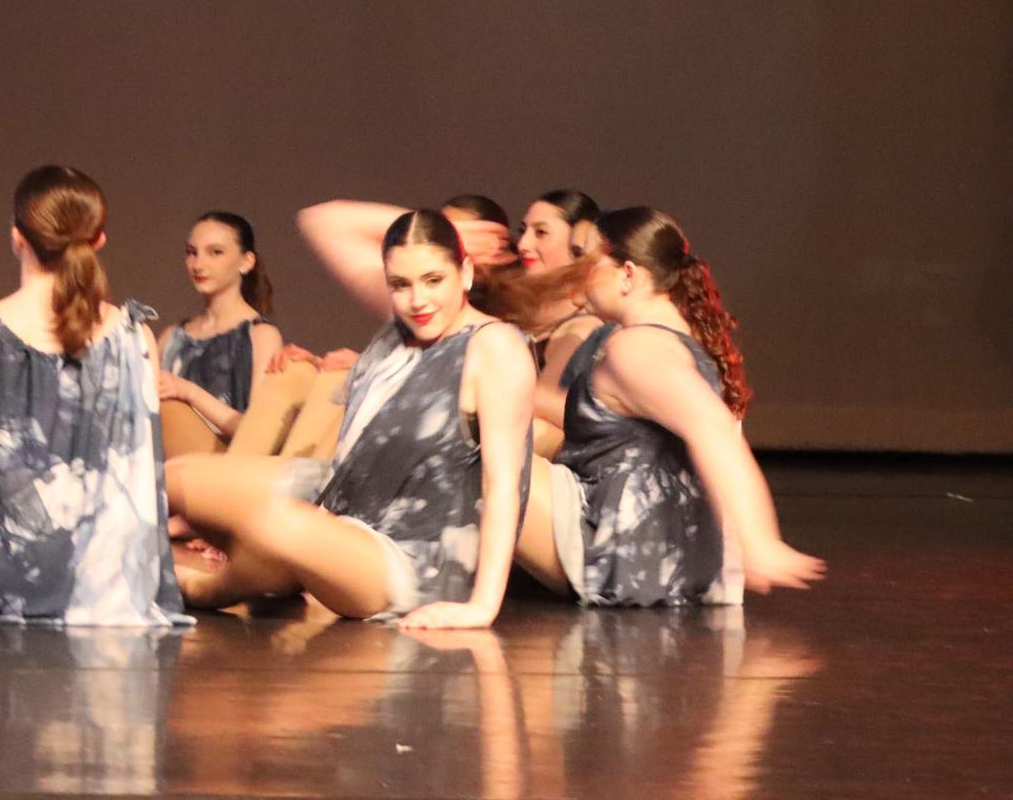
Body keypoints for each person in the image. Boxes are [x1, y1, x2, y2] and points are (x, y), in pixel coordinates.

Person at [165, 204, 536, 627]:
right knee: (175, 477)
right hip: (339, 504)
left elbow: (504, 483)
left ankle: (206, 589)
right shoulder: (407, 323)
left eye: (434, 279)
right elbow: (323, 221)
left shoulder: (495, 346)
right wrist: (455, 228)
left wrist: (483, 606)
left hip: (414, 557)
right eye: (400, 284)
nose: (418, 300)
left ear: (465, 273)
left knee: (278, 525)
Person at [0, 167, 192, 627]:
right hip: (112, 582)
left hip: (11, 578)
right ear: (99, 240)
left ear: (17, 237)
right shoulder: (135, 334)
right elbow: (139, 471)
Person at [515, 207, 825, 605]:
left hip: (627, 551)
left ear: (628, 274)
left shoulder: (637, 349)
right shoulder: (671, 337)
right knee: (527, 435)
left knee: (475, 458)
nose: (577, 274)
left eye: (589, 263)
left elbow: (714, 430)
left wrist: (759, 541)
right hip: (657, 544)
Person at [151, 212, 299, 457]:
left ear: (246, 261)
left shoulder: (260, 335)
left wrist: (188, 392)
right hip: (164, 470)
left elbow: (258, 433)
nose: (198, 265)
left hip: (221, 471)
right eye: (191, 252)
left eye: (215, 253)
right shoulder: (172, 337)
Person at [518, 189, 604, 458]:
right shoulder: (526, 317)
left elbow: (542, 400)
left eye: (541, 233)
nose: (523, 244)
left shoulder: (581, 326)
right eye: (523, 231)